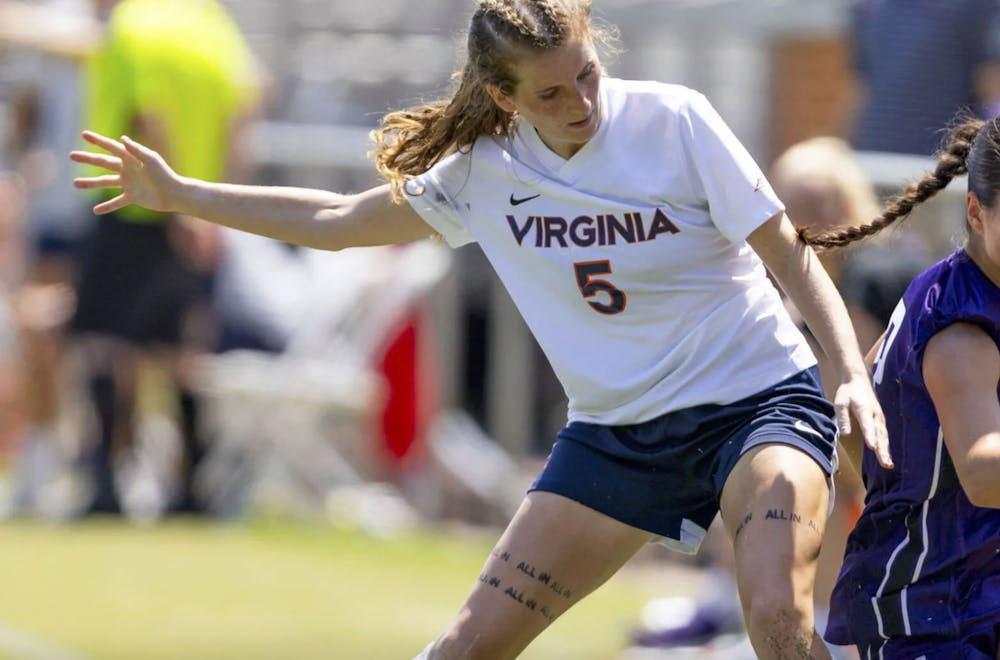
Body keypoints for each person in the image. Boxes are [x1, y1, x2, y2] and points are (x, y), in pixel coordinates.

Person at [70, 1, 891, 657]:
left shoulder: (676, 121)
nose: (582, 104)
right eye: (551, 93)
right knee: (463, 649)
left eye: (588, 75)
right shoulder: (482, 173)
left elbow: (792, 256)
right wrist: (183, 193)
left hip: (755, 404)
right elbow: (333, 217)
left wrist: (846, 370)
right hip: (616, 436)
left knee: (779, 626)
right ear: (501, 97)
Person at [800, 116, 1000, 658]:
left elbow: (856, 432)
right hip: (936, 618)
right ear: (976, 214)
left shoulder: (953, 285)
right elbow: (983, 474)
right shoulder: (961, 332)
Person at [70, 0, 260, 515]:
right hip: (200, 214)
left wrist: (176, 208)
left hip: (133, 209)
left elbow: (147, 118)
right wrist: (221, 204)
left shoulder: (133, 25)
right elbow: (247, 106)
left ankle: (107, 484)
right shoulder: (213, 25)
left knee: (109, 345)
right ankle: (191, 489)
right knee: (183, 351)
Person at [850, 0, 1000, 157]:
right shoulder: (868, 9)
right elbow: (862, 91)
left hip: (942, 161)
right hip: (876, 157)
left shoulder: (976, 6)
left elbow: (991, 87)